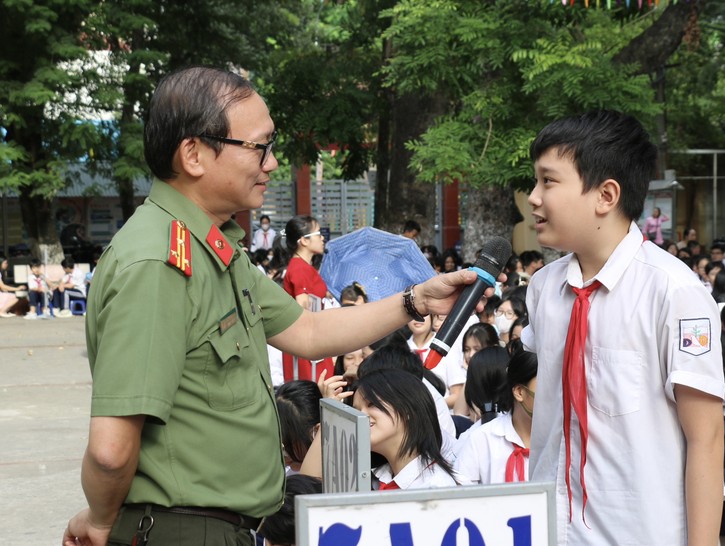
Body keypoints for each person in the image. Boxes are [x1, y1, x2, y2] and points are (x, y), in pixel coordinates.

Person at [62, 66, 493, 546]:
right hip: (180, 530)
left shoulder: (213, 251)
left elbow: (307, 332)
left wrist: (415, 300)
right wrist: (101, 522)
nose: (270, 163)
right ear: (194, 153)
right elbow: (110, 451)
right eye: (258, 147)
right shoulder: (160, 264)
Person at [523, 110, 725, 545]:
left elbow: (706, 440)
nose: (534, 198)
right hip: (552, 530)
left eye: (548, 181)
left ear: (606, 195)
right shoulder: (543, 288)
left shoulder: (674, 293)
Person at [353, 368, 461, 490]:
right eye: (356, 410)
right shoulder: (373, 478)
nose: (361, 416)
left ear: (407, 409)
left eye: (371, 404)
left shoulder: (436, 487)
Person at [455, 345, 538, 484]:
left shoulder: (564, 440)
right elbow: (460, 497)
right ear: (519, 392)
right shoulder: (481, 439)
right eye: (545, 388)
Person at [281, 214, 334, 381]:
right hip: (308, 343)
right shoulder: (299, 268)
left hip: (311, 339)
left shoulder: (302, 266)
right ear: (304, 241)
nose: (322, 238)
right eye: (318, 234)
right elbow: (302, 304)